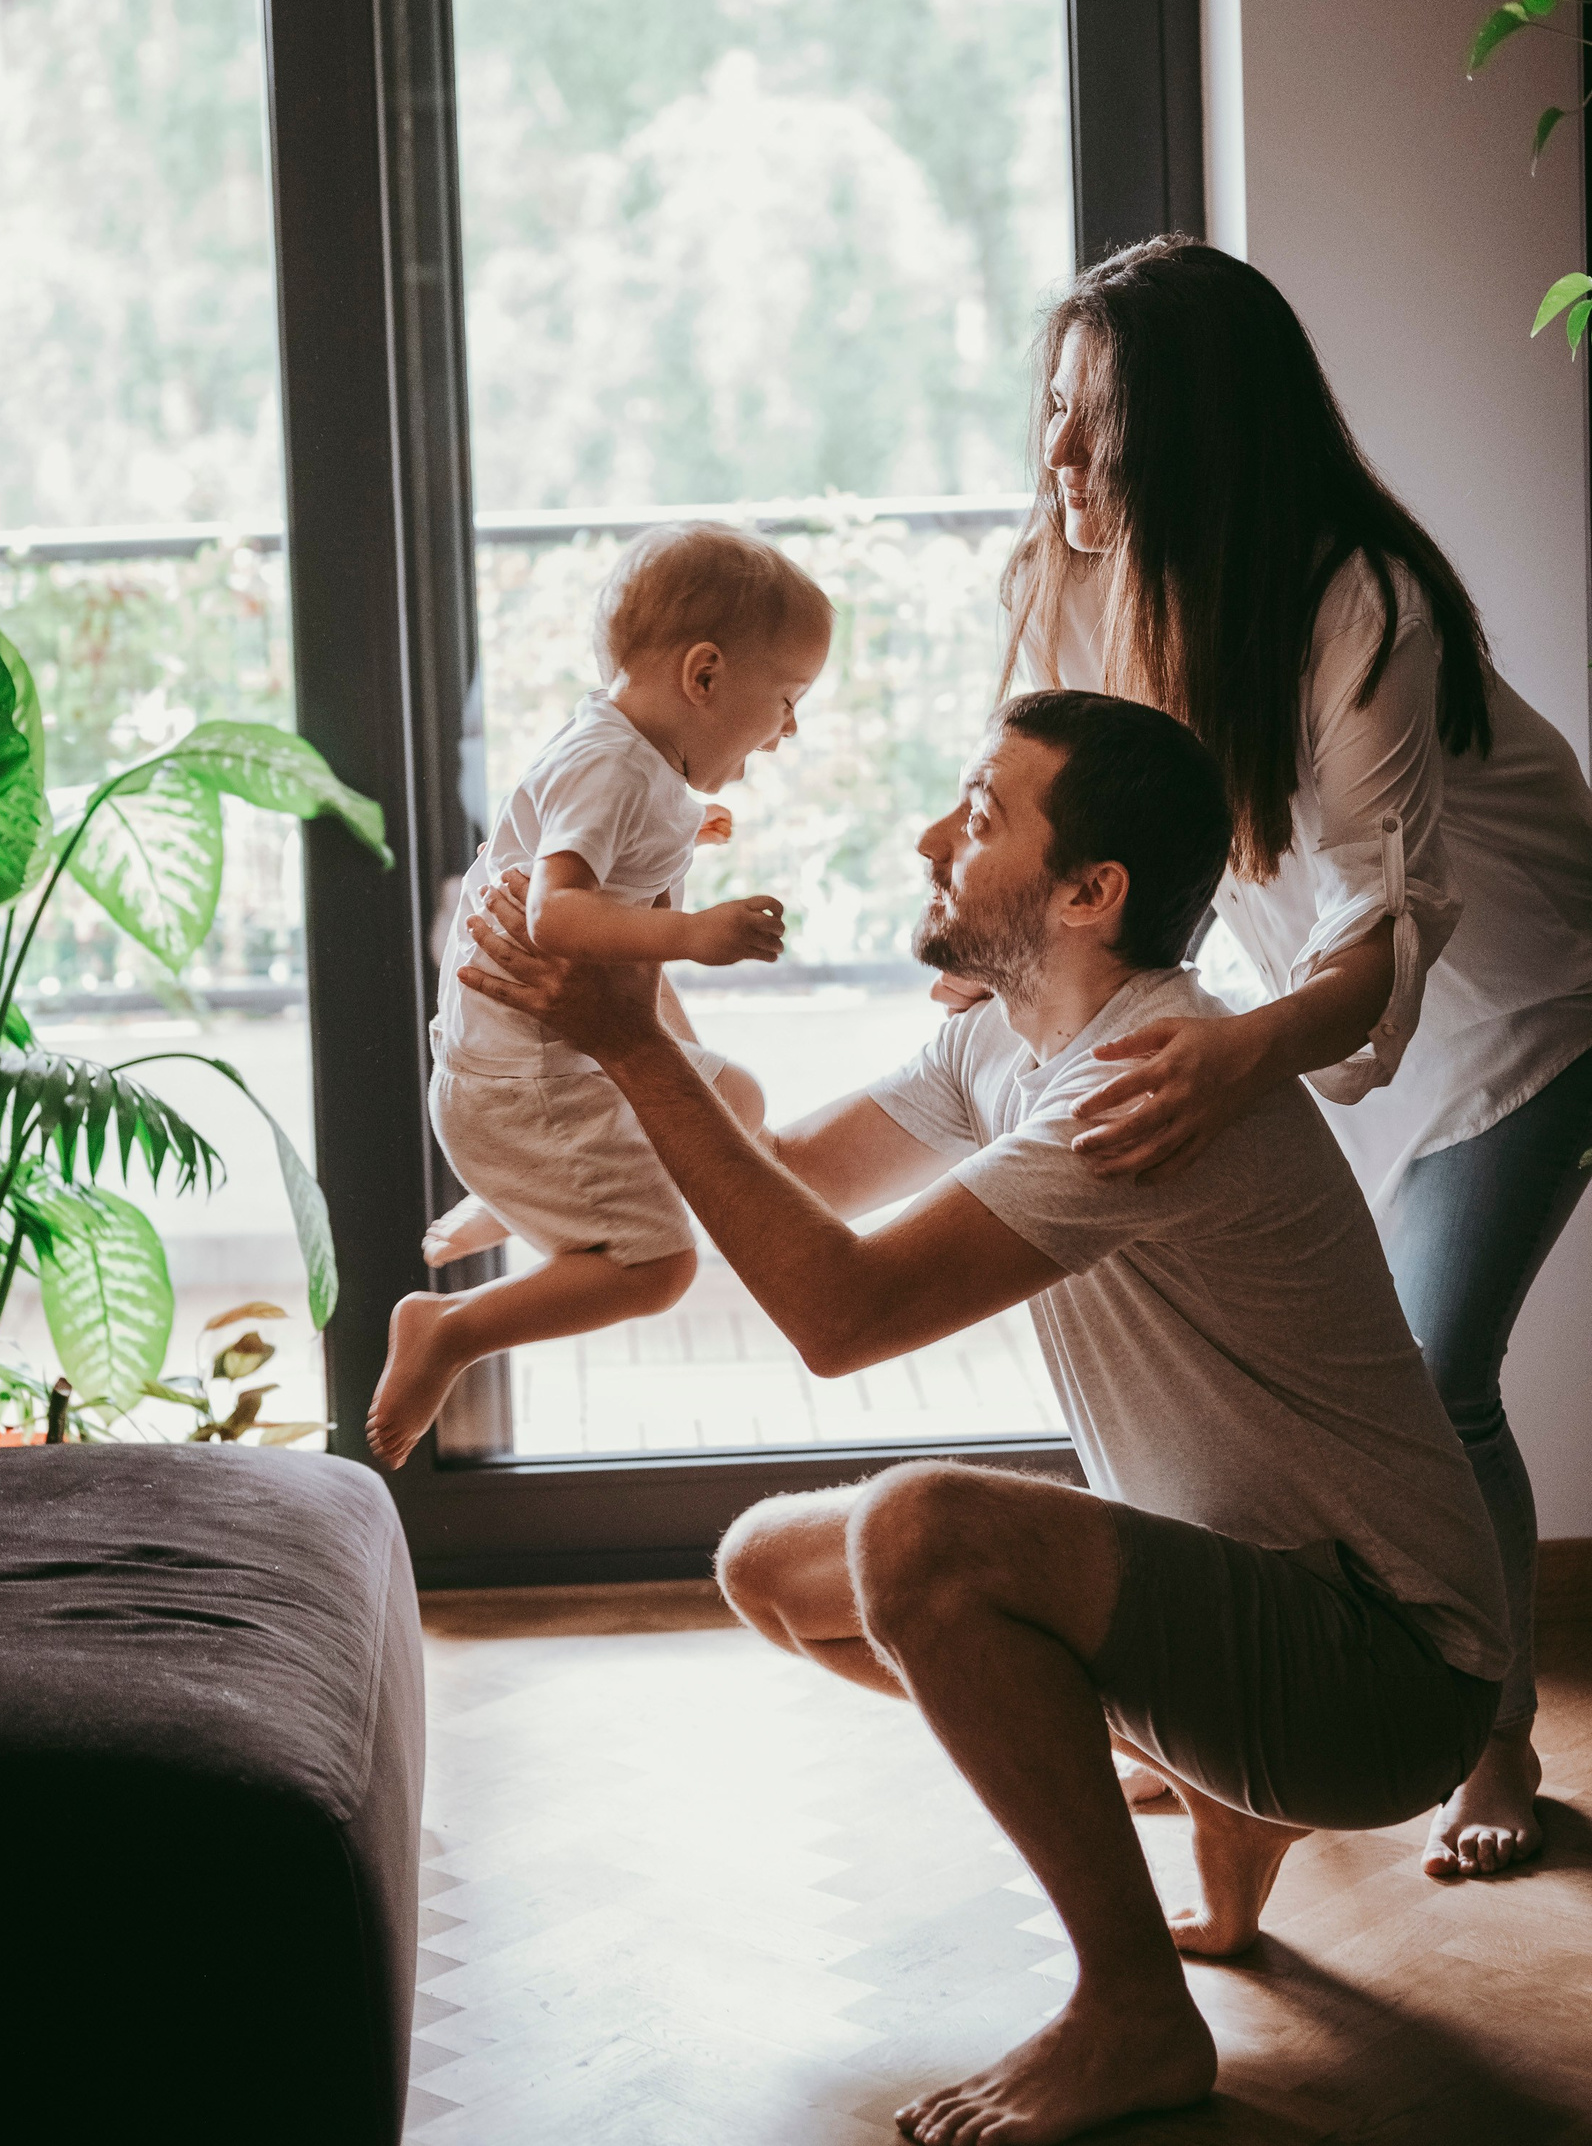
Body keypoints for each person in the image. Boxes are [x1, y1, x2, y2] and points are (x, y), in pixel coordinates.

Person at [459, 687, 1510, 2146]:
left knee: (920, 1533)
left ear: (1090, 894)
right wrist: (622, 1011)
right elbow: (789, 1174)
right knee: (775, 1564)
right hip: (1270, 1608)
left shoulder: (1143, 1085)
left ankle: (1135, 2010)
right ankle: (1220, 1794)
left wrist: (634, 1046)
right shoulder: (1001, 1044)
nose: (930, 839)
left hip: (1386, 1674)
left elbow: (840, 1314)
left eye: (979, 813)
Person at [1005, 235, 1592, 1878]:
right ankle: (1222, 1729)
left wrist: (1234, 1057)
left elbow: (1381, 925)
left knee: (1433, 1374)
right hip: (1326, 1014)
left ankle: (1496, 1740)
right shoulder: (1095, 576)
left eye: (1098, 423)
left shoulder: (1363, 602)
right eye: (1051, 408)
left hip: (1534, 1004)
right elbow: (1080, 822)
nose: (1058, 454)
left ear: (1197, 439)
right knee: (1254, 1373)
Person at [366, 522, 832, 1469]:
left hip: (543, 1077)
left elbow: (605, 848)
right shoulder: (609, 765)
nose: (789, 730)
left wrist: (681, 831)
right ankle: (448, 1328)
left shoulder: (634, 762)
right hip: (525, 1090)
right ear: (705, 676)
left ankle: (518, 1197)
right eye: (787, 701)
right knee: (659, 1270)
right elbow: (557, 915)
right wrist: (695, 936)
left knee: (736, 1100)